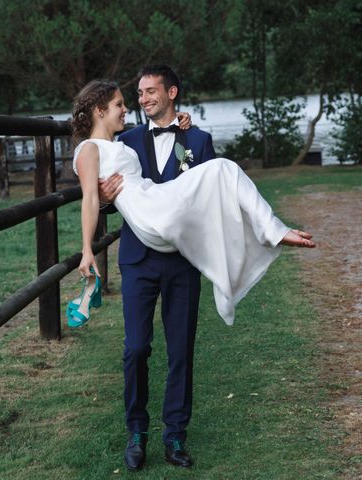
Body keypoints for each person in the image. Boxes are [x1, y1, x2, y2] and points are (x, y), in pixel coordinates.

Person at [68, 72, 314, 473]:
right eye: (131, 97)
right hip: (141, 251)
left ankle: (175, 434)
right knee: (136, 348)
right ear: (101, 109)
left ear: (171, 93)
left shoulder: (196, 140)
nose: (138, 101)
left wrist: (184, 129)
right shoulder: (123, 140)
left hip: (180, 257)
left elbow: (208, 197)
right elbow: (92, 192)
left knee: (181, 348)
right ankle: (136, 431)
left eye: (149, 92)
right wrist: (94, 230)